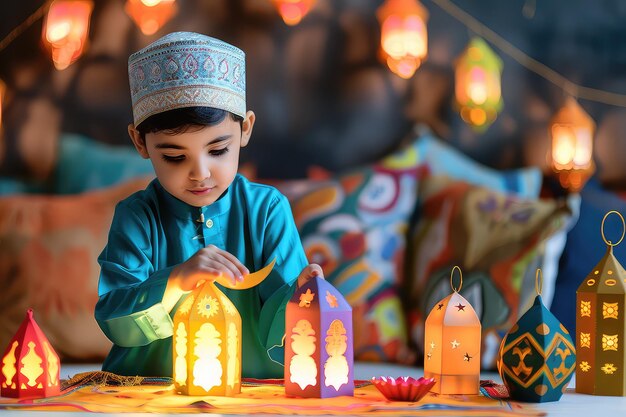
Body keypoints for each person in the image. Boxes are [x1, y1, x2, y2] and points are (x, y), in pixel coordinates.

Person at [94, 32, 323, 378]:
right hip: (148, 391)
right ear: (140, 142)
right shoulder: (137, 216)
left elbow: (285, 325)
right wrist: (175, 279)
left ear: (245, 129)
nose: (200, 174)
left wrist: (302, 292)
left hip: (249, 388)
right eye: (174, 156)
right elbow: (114, 319)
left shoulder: (267, 209)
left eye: (218, 150)